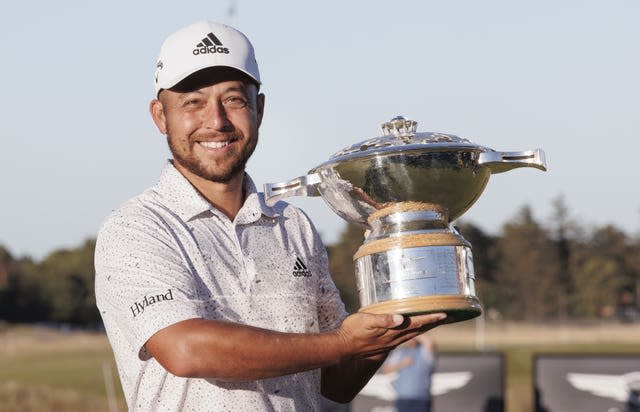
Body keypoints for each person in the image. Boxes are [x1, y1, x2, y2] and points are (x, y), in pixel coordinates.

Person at [94, 20, 446, 411]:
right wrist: (343, 343)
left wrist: (391, 320)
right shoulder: (136, 227)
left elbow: (336, 383)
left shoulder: (293, 225)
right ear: (160, 116)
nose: (216, 121)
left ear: (259, 110)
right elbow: (185, 350)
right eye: (193, 101)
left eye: (234, 100)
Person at [381, 334, 436, 412]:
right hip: (403, 398)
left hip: (421, 398)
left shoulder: (424, 352)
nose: (410, 340)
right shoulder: (400, 353)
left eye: (412, 338)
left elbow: (429, 342)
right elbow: (386, 370)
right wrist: (402, 363)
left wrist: (412, 332)